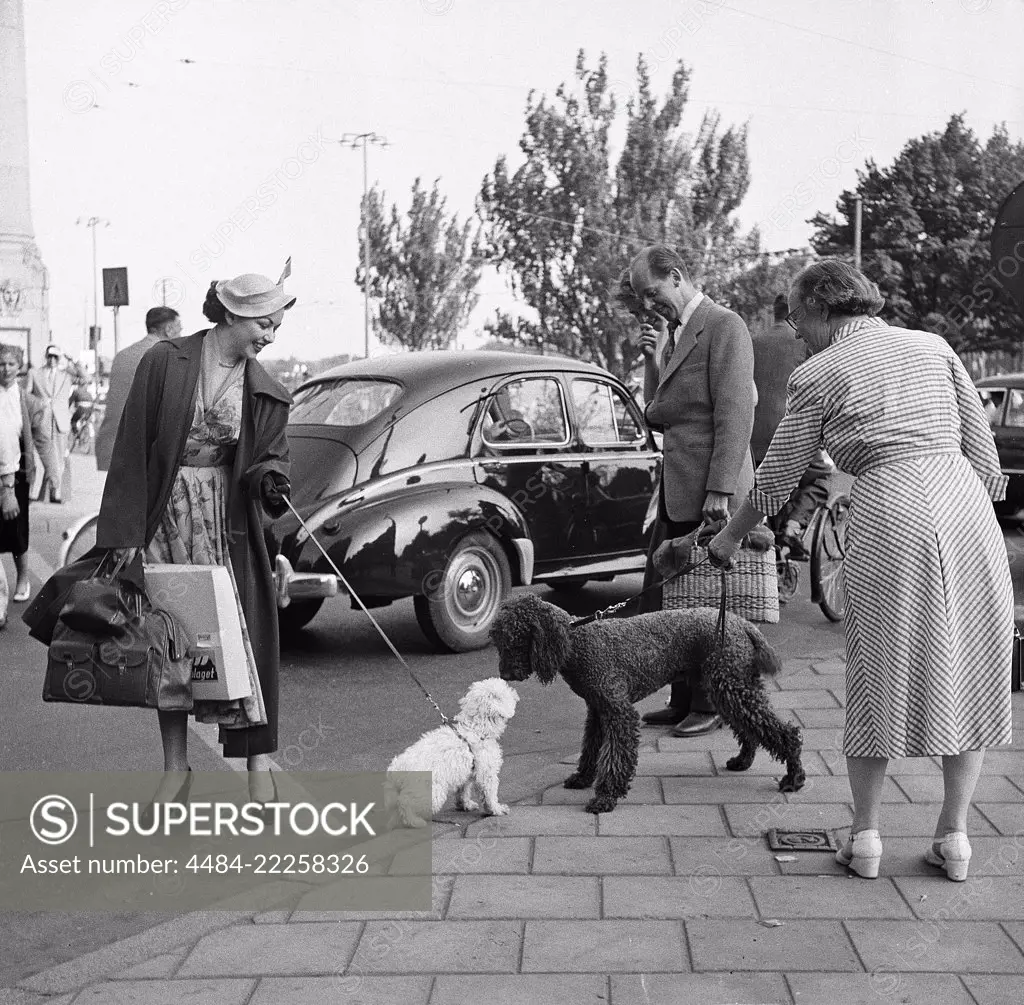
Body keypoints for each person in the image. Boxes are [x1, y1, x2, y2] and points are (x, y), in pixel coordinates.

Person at [709, 259, 1013, 882]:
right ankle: (954, 839)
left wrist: (728, 539)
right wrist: (965, 514)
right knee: (970, 664)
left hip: (888, 511)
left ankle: (867, 838)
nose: (795, 333)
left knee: (879, 669)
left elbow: (776, 477)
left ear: (823, 308)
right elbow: (984, 458)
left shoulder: (818, 371)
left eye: (797, 319)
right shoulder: (934, 347)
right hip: (966, 511)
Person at [96, 272, 295, 806]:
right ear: (230, 313)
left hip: (227, 522)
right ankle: (176, 770)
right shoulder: (164, 361)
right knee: (173, 644)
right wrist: (124, 535)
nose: (270, 336)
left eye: (276, 325)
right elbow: (132, 448)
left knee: (244, 639)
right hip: (164, 516)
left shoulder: (269, 391)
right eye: (263, 323)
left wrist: (273, 505)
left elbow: (267, 466)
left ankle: (259, 765)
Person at [626, 246, 756, 738]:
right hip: (680, 486)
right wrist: (651, 358)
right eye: (642, 297)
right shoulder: (677, 333)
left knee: (707, 604)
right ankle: (682, 696)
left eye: (652, 292)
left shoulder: (724, 325)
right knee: (672, 595)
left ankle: (712, 701)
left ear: (676, 276)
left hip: (709, 490)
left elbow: (735, 411)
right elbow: (655, 412)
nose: (648, 304)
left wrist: (721, 490)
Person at [752, 292, 830, 560]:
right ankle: (793, 529)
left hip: (750, 445)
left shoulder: (751, 343)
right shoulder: (807, 344)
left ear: (773, 312)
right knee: (821, 476)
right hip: (789, 437)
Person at [95, 307, 182, 471]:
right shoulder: (169, 357)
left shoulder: (122, 356)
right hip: (144, 455)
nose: (181, 336)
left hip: (110, 448)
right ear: (169, 330)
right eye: (179, 330)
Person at [0, 344, 50, 625]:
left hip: (17, 475)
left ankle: (22, 578)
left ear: (19, 367)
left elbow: (42, 439)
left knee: (17, 532)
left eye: (10, 364)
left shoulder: (28, 402)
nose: (5, 369)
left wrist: (53, 472)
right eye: (1, 364)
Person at [27, 344, 76, 503]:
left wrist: (70, 359)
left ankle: (54, 493)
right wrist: (39, 403)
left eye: (56, 357)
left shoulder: (66, 375)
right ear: (46, 357)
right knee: (43, 458)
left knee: (59, 458)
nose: (53, 360)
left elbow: (86, 378)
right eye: (50, 356)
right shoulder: (34, 373)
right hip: (41, 421)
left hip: (60, 422)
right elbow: (25, 396)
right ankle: (37, 493)